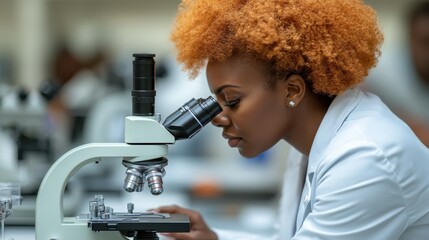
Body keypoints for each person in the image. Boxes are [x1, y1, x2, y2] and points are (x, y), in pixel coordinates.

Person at [153, 0, 429, 239]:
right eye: (216, 102)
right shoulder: (312, 143)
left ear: (292, 90)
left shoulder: (365, 157)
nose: (218, 118)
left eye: (233, 101)